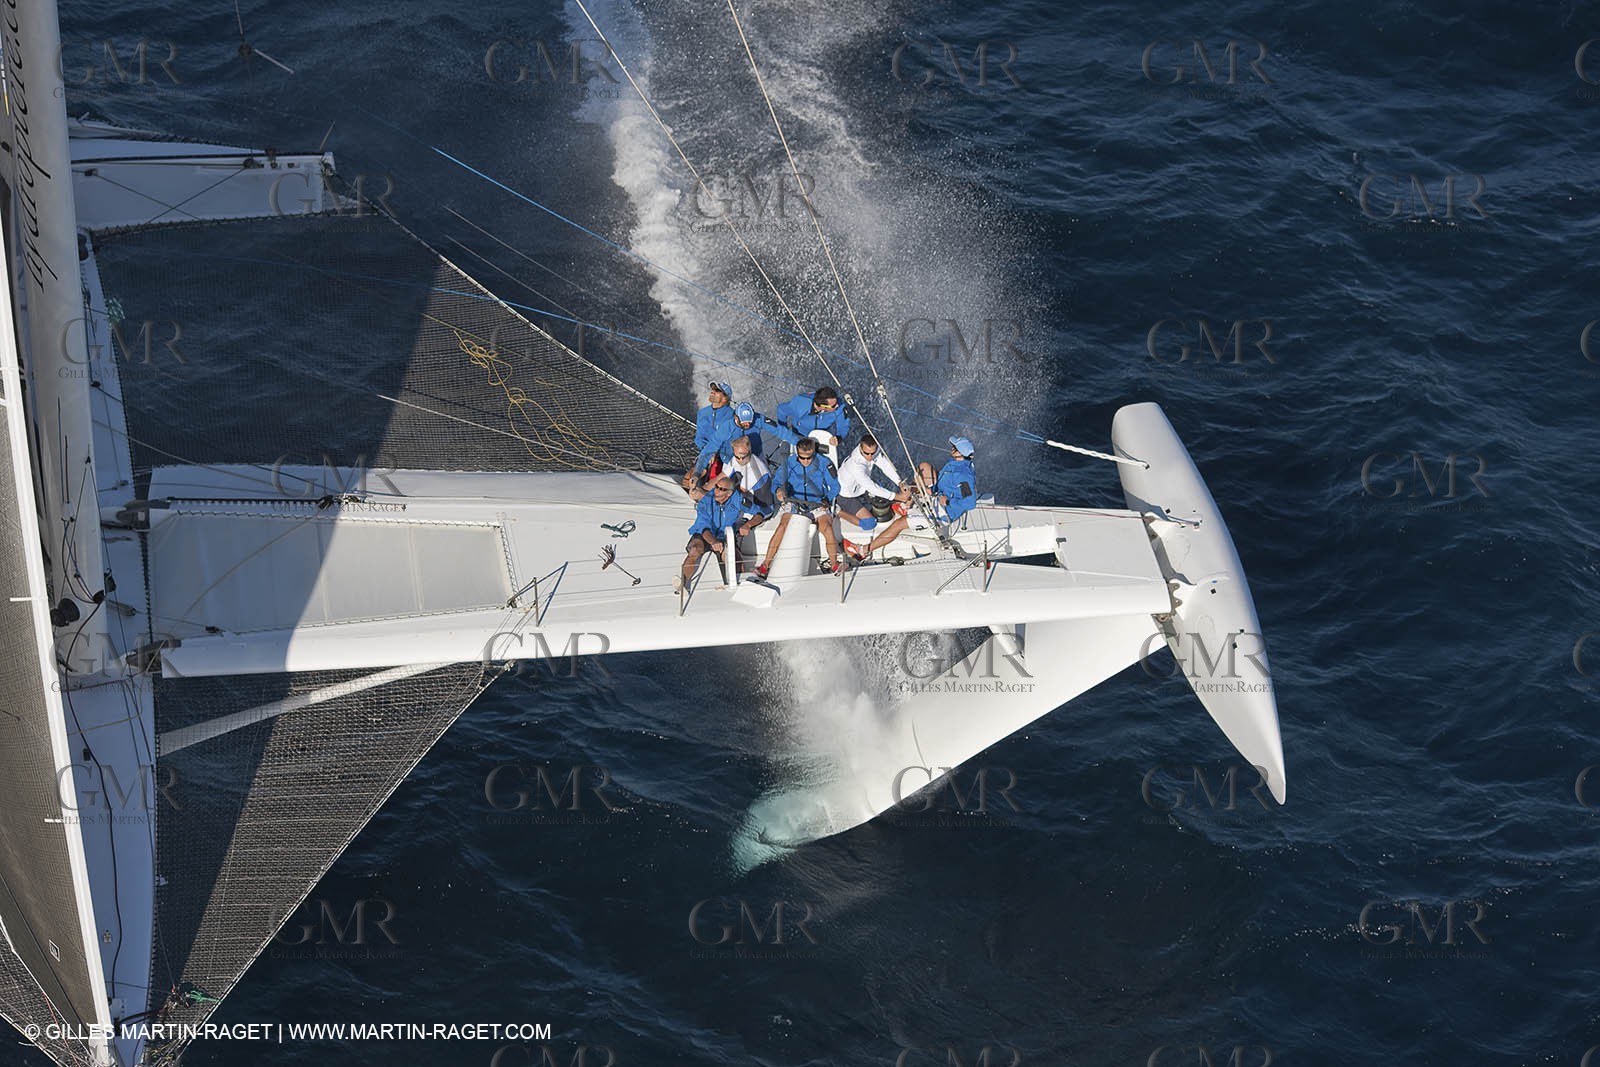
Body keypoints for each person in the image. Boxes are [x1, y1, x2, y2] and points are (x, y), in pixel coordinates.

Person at [755, 436, 844, 578]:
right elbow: (776, 483)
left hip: (818, 503)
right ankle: (765, 565)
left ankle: (834, 563)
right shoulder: (788, 463)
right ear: (797, 454)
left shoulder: (824, 463)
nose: (806, 461)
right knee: (782, 527)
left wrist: (826, 499)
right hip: (794, 502)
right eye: (802, 458)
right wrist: (778, 491)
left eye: (809, 458)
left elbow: (835, 486)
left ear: (814, 453)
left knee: (827, 528)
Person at [676, 476, 744, 594]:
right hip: (705, 534)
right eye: (716, 486)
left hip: (724, 535)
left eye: (721, 489)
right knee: (695, 550)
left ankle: (735, 585)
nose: (716, 490)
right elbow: (704, 527)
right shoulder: (706, 501)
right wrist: (713, 542)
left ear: (729, 493)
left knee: (732, 555)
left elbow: (758, 510)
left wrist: (749, 524)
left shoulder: (737, 499)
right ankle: (683, 584)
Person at [917, 435, 978, 523]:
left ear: (960, 453)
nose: (952, 449)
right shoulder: (954, 464)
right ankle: (908, 501)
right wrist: (932, 489)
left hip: (946, 511)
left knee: (898, 524)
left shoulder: (962, 475)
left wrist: (948, 502)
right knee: (924, 467)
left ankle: (906, 504)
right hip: (939, 495)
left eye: (954, 448)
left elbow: (970, 503)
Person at [687, 381, 736, 490]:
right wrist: (707, 450)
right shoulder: (702, 413)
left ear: (725, 398)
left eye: (717, 391)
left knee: (707, 485)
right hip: (706, 455)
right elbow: (699, 438)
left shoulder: (732, 416)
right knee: (689, 481)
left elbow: (732, 442)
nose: (712, 392)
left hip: (724, 457)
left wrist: (717, 452)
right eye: (712, 389)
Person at [774, 386, 851, 455]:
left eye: (836, 402)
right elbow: (781, 410)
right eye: (834, 405)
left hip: (821, 436)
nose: (837, 405)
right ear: (822, 406)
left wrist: (839, 437)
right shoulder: (800, 403)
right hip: (799, 435)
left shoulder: (840, 407)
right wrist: (784, 432)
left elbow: (843, 425)